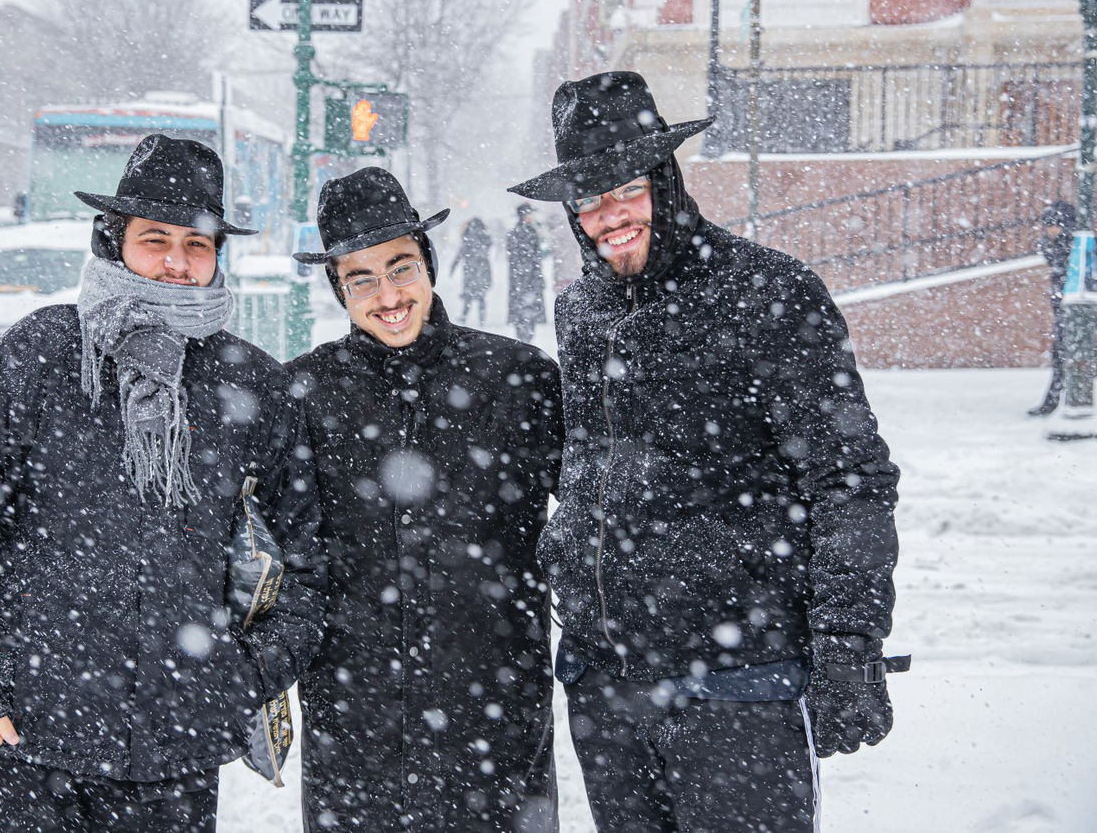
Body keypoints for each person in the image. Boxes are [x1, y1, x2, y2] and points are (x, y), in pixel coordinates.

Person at [508, 72, 908, 832]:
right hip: (607, 685)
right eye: (588, 199)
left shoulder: (767, 291)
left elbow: (849, 478)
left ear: (665, 179)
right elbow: (590, 468)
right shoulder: (580, 310)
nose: (609, 216)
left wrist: (848, 639)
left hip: (739, 681)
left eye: (627, 189)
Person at [0, 134, 327, 832]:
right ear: (113, 241)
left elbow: (304, 560)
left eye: (197, 244)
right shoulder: (39, 354)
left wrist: (243, 674)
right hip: (25, 736)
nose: (176, 262)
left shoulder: (253, 384)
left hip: (174, 746)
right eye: (155, 239)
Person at [288, 167, 563, 832]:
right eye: (361, 279)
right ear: (339, 289)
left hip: (494, 725)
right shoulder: (301, 394)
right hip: (354, 730)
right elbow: (267, 551)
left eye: (401, 267)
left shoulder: (518, 379)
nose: (389, 296)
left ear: (429, 263)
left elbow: (603, 515)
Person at [1030, 199, 1078, 416]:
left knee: (1063, 355)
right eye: (1048, 225)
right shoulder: (1055, 246)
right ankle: (1053, 400)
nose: (1051, 230)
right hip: (1064, 309)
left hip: (1075, 309)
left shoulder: (1073, 247)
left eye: (1055, 225)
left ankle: (1054, 401)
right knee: (1060, 355)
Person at [506, 203, 547, 344]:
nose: (531, 216)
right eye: (529, 214)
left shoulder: (517, 232)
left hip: (522, 279)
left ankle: (524, 340)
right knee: (527, 312)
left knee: (524, 312)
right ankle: (525, 341)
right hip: (526, 279)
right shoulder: (526, 232)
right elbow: (531, 257)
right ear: (523, 215)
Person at [448, 216, 493, 324]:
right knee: (481, 296)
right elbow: (488, 248)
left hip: (470, 270)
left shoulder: (467, 238)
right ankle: (482, 319)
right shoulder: (484, 237)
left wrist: (453, 267)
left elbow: (460, 254)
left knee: (468, 296)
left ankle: (464, 316)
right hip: (482, 270)